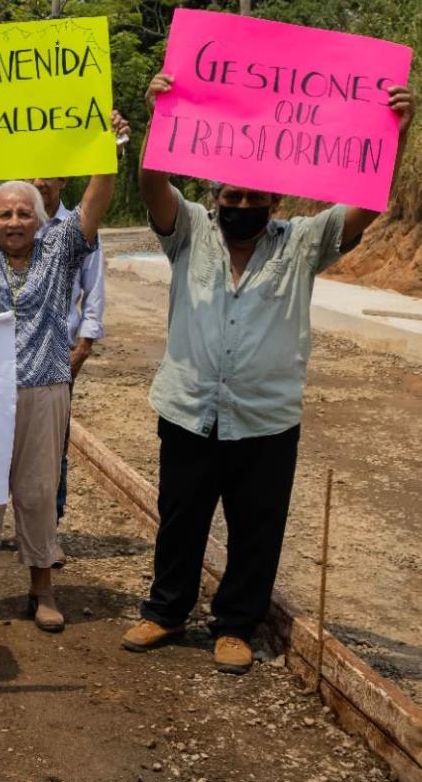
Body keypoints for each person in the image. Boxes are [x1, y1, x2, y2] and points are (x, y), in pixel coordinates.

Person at [122, 75, 415, 674]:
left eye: (255, 200)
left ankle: (236, 625)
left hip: (266, 417)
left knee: (257, 527)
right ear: (215, 196)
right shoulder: (190, 234)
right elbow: (152, 183)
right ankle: (167, 611)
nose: (242, 208)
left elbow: (368, 199)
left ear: (277, 203)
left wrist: (396, 134)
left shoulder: (306, 243)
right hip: (188, 408)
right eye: (231, 198)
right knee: (180, 517)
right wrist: (164, 116)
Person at [0, 110, 129, 633]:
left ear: (39, 219)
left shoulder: (62, 247)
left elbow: (96, 199)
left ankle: (42, 589)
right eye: (6, 214)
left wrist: (108, 146)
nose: (14, 222)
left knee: (37, 491)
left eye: (24, 213)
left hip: (45, 387)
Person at [33, 176, 106, 555]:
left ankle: (48, 530)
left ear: (63, 178)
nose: (39, 181)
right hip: (5, 360)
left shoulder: (80, 226)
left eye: (48, 171)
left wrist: (84, 346)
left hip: (58, 356)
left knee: (52, 447)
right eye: (31, 170)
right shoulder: (4, 220)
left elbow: (94, 289)